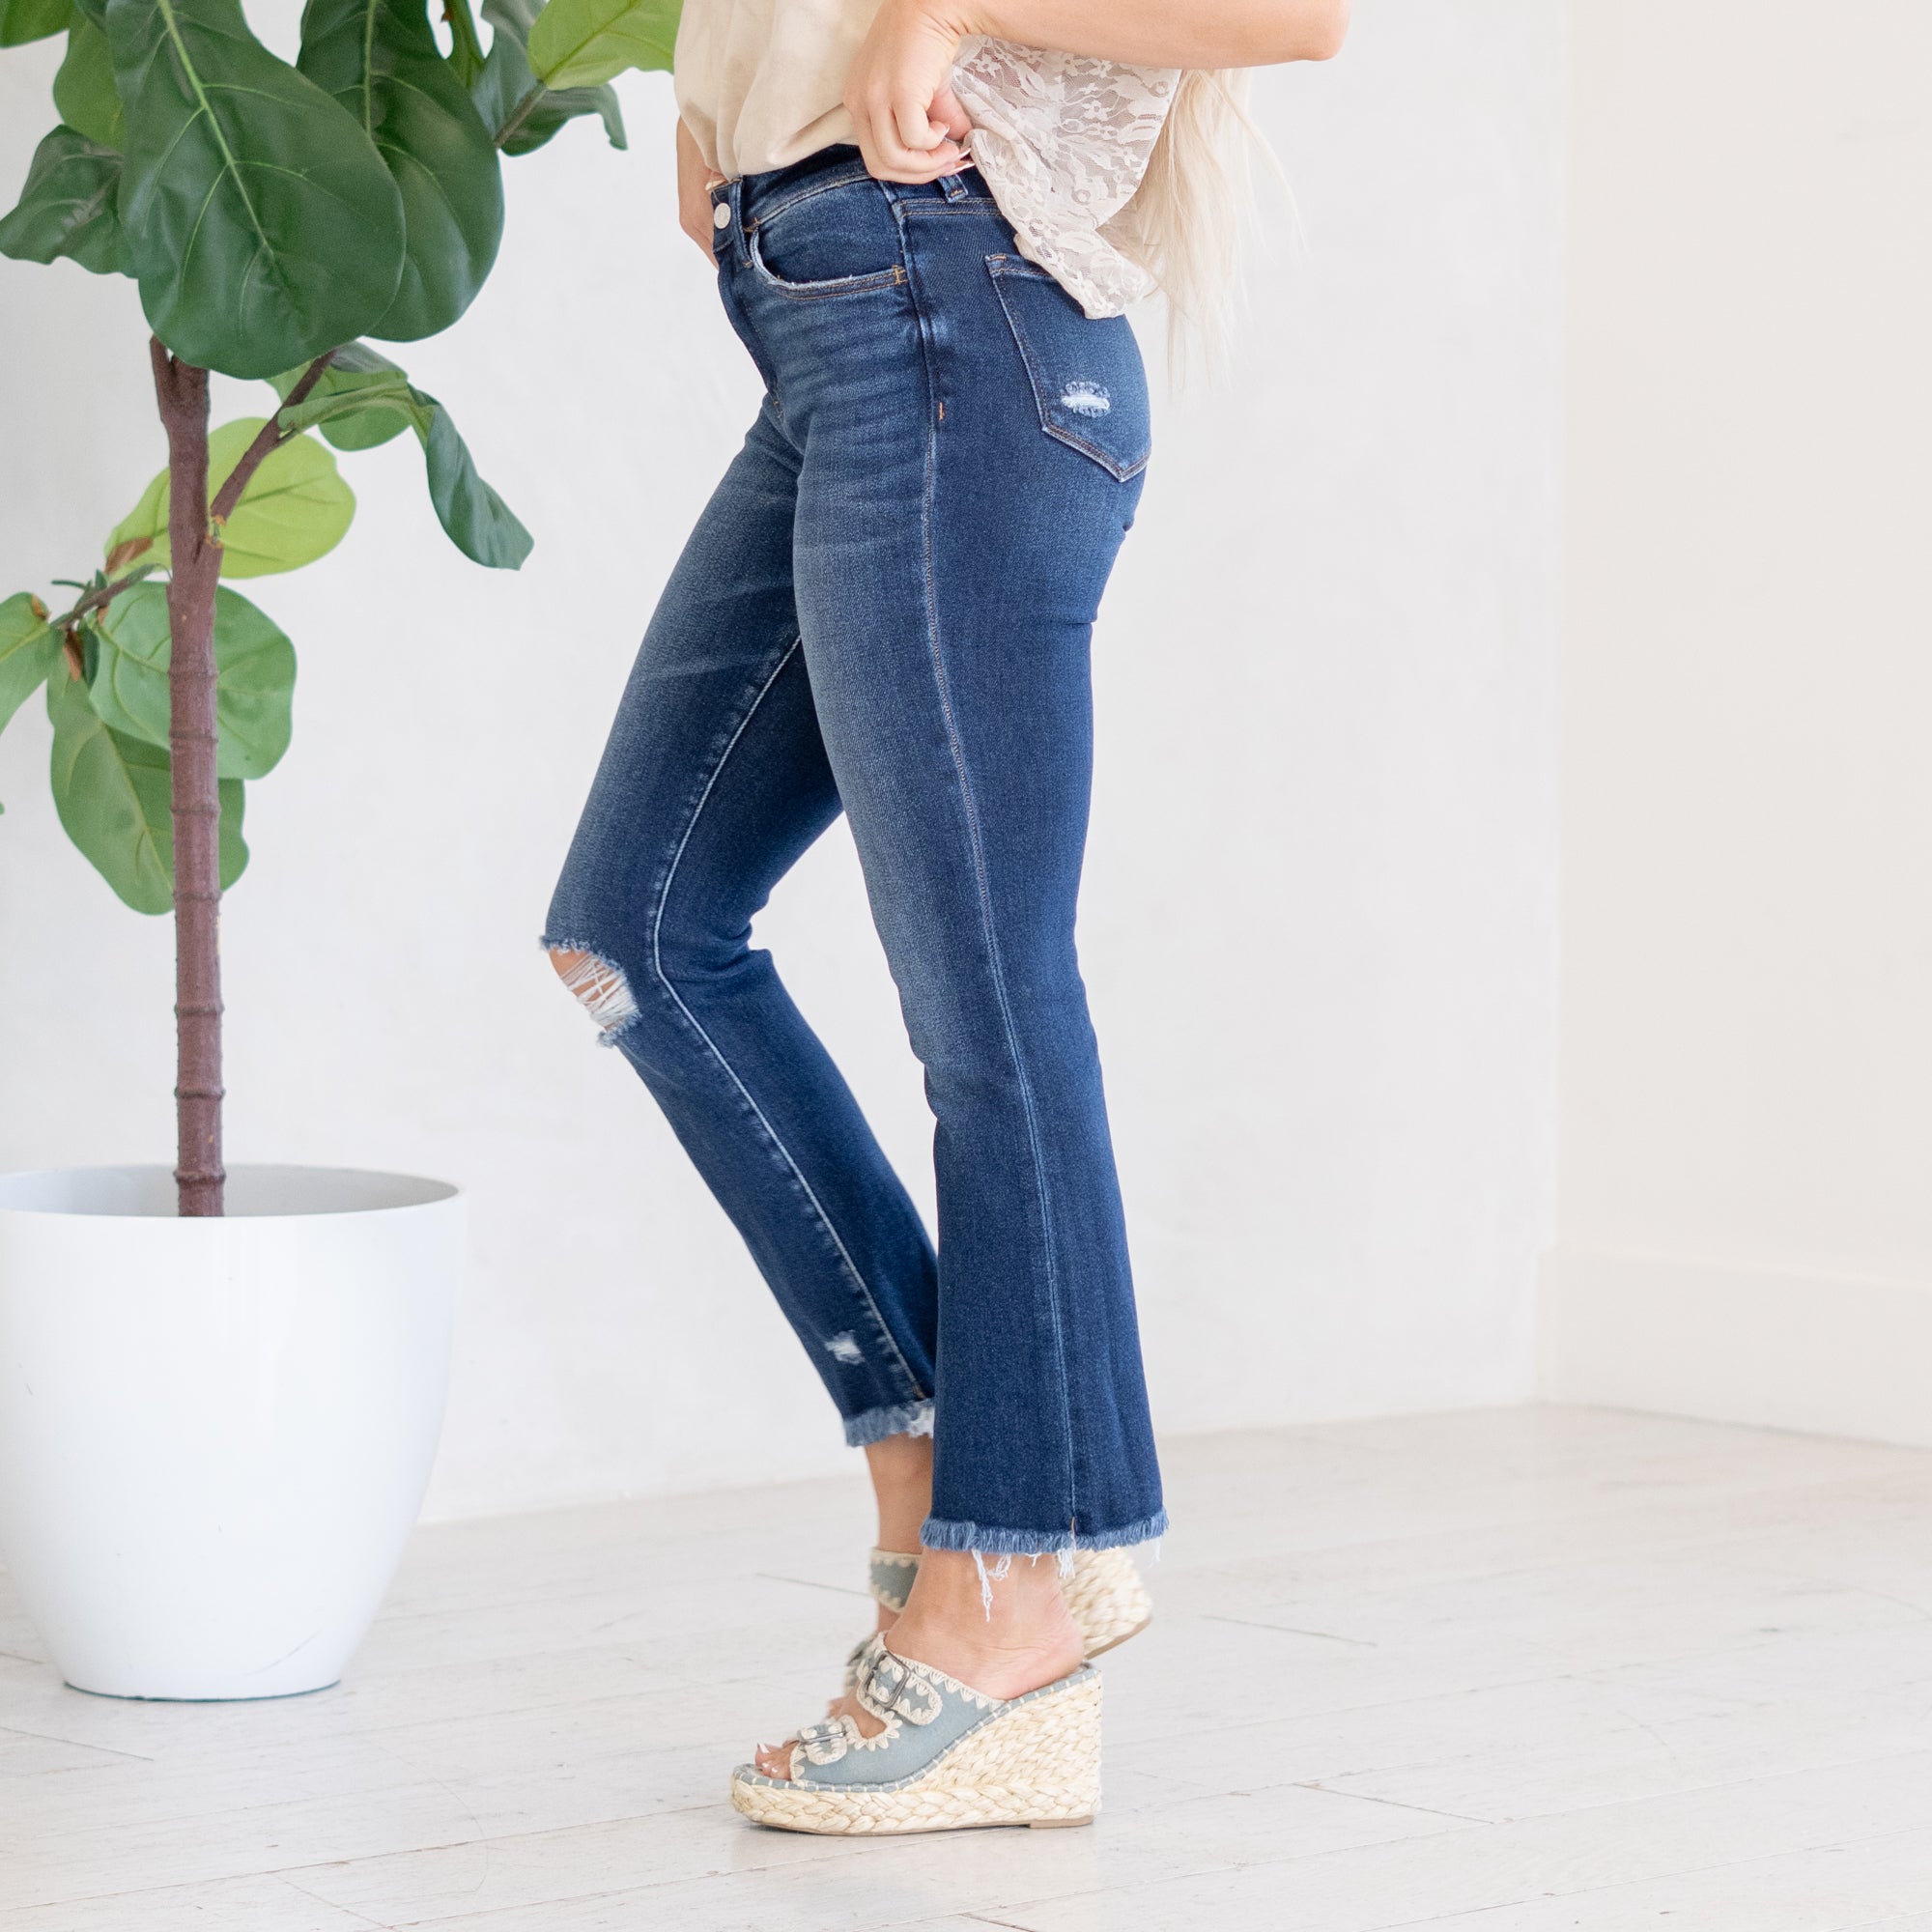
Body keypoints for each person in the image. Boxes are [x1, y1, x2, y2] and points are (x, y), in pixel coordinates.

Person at [545, 0, 1352, 1835]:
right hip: (834, 325)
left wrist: (941, 8)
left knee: (986, 1001)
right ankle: (977, 1488)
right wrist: (717, 99)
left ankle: (1008, 1607)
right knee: (634, 933)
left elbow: (1298, 16)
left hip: (952, 324)